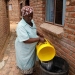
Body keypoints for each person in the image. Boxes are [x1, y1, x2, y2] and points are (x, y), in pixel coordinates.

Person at [15, 6, 45, 75]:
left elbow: (33, 29)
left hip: (30, 47)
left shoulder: (31, 21)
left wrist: (38, 33)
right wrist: (39, 39)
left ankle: (30, 69)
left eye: (31, 16)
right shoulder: (21, 26)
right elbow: (25, 40)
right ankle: (26, 72)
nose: (30, 18)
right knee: (25, 62)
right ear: (23, 15)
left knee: (31, 59)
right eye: (28, 16)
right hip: (24, 48)